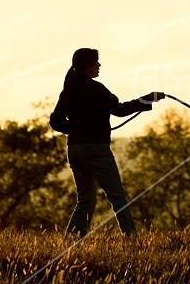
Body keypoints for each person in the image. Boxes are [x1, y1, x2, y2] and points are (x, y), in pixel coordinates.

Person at [50, 48, 164, 237]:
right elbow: (119, 109)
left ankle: (71, 240)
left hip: (75, 149)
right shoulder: (96, 88)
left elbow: (55, 121)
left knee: (85, 199)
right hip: (96, 149)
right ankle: (131, 237)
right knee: (116, 196)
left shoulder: (69, 90)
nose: (99, 66)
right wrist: (147, 99)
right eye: (96, 62)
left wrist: (76, 129)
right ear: (88, 65)